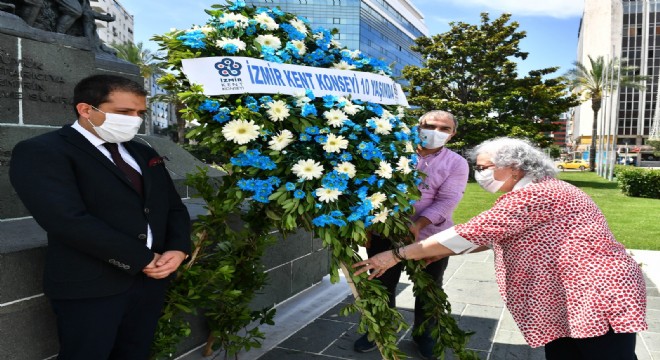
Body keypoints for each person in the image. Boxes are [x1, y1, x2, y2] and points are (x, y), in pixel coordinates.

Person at [353, 137, 647, 360]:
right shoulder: (542, 189)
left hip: (592, 295)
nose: (479, 174)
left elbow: (469, 233)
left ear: (515, 169)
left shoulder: (534, 195)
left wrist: (395, 255)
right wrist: (442, 252)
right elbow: (493, 236)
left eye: (484, 168)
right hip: (574, 293)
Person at [10, 74, 191, 360]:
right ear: (86, 110)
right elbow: (67, 220)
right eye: (124, 112)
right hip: (90, 286)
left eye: (139, 113)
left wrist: (178, 249)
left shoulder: (143, 152)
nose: (134, 120)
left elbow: (173, 207)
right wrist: (142, 258)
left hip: (150, 283)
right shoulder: (43, 151)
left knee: (135, 353)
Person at [353, 110, 469, 359]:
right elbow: (369, 189)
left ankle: (424, 334)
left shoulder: (456, 163)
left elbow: (447, 200)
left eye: (444, 129)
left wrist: (417, 225)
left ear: (453, 134)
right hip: (384, 230)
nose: (435, 132)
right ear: (417, 127)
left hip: (431, 236)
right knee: (382, 283)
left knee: (428, 287)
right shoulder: (392, 152)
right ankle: (381, 329)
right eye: (429, 126)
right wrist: (364, 226)